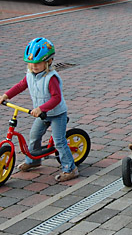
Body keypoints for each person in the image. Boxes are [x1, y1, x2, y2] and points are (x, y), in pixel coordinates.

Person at [0, 37, 79, 182]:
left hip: (56, 113)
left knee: (59, 141)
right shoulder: (30, 75)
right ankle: (33, 160)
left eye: (37, 63)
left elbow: (56, 98)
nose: (33, 66)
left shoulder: (51, 78)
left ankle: (70, 168)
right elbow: (20, 86)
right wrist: (6, 95)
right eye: (30, 63)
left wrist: (41, 108)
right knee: (34, 136)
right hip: (42, 114)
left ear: (48, 62)